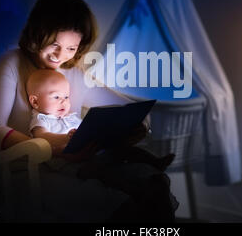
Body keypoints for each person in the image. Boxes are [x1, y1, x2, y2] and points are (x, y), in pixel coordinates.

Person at [0, 0, 178, 222]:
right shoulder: (11, 63)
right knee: (112, 201)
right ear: (37, 33)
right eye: (54, 44)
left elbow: (127, 107)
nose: (60, 56)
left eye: (71, 48)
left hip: (78, 166)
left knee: (152, 183)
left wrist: (139, 124)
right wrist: (49, 147)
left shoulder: (73, 73)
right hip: (26, 173)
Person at [25, 68, 175, 173]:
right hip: (68, 161)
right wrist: (66, 137)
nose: (63, 102)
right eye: (56, 97)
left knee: (123, 150)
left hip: (91, 150)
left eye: (66, 97)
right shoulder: (41, 119)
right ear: (35, 102)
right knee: (104, 165)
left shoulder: (69, 116)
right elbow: (42, 137)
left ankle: (154, 162)